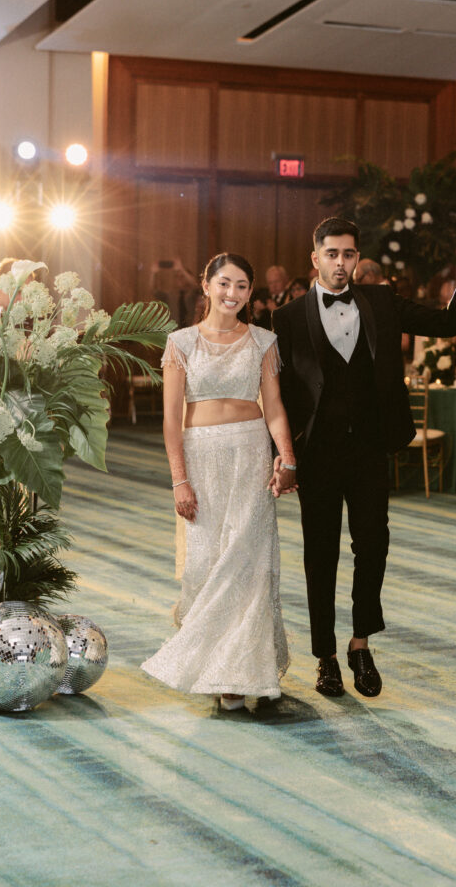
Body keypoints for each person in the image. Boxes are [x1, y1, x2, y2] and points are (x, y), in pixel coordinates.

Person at [272, 217, 456, 699]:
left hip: (371, 447)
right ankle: (325, 657)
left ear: (357, 258)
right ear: (315, 258)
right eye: (331, 254)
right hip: (319, 453)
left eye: (348, 254)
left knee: (372, 546)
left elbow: (447, 323)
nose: (340, 263)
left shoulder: (381, 301)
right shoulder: (287, 317)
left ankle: (360, 643)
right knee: (320, 555)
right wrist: (283, 455)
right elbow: (282, 395)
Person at [141, 253, 297, 711]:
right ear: (206, 285)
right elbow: (172, 420)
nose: (233, 294)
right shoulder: (181, 343)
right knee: (210, 565)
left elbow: (275, 409)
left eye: (243, 286)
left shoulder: (264, 341)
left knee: (247, 563)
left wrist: (286, 457)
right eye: (225, 283)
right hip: (201, 458)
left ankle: (245, 673)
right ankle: (217, 668)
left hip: (251, 455)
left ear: (251, 292)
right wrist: (179, 480)